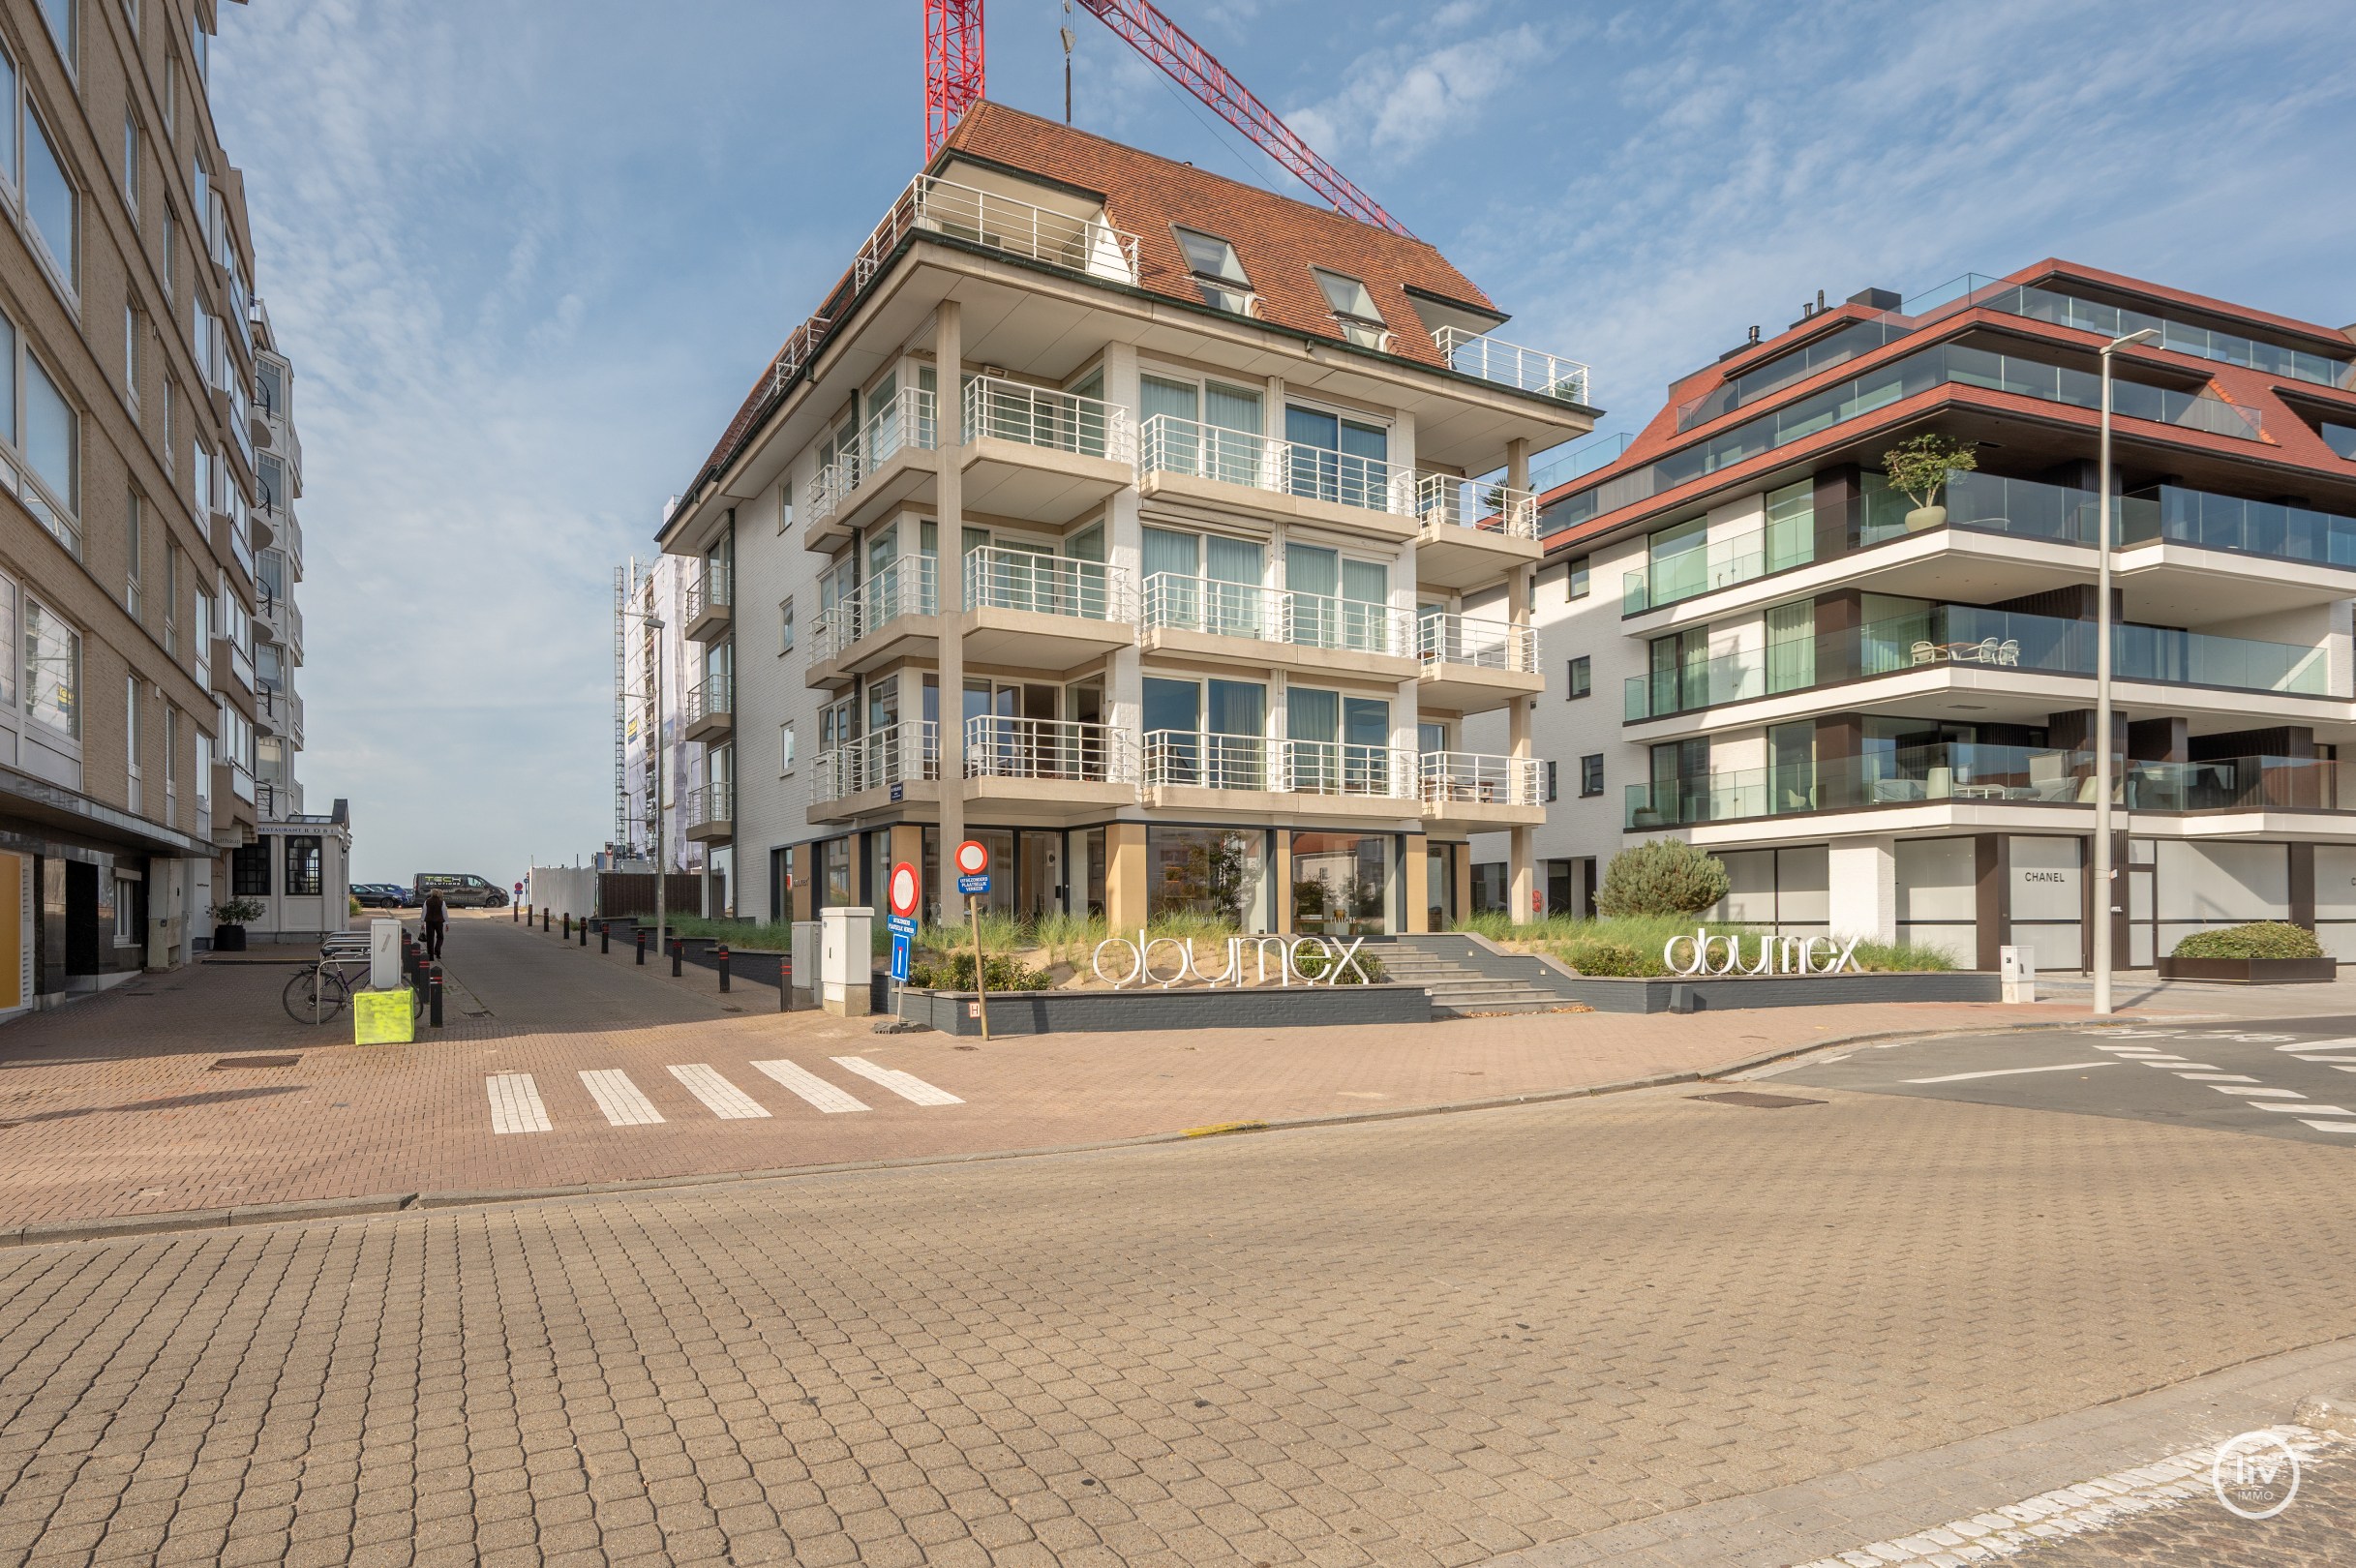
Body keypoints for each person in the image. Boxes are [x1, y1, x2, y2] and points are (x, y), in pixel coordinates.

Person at [422, 889, 447, 960]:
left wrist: (422, 922)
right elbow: (444, 913)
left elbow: (424, 912)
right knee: (440, 936)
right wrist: (447, 923)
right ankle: (437, 950)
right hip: (439, 922)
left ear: (431, 894)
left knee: (430, 938)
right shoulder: (442, 902)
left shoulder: (427, 901)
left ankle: (430, 956)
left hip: (429, 921)